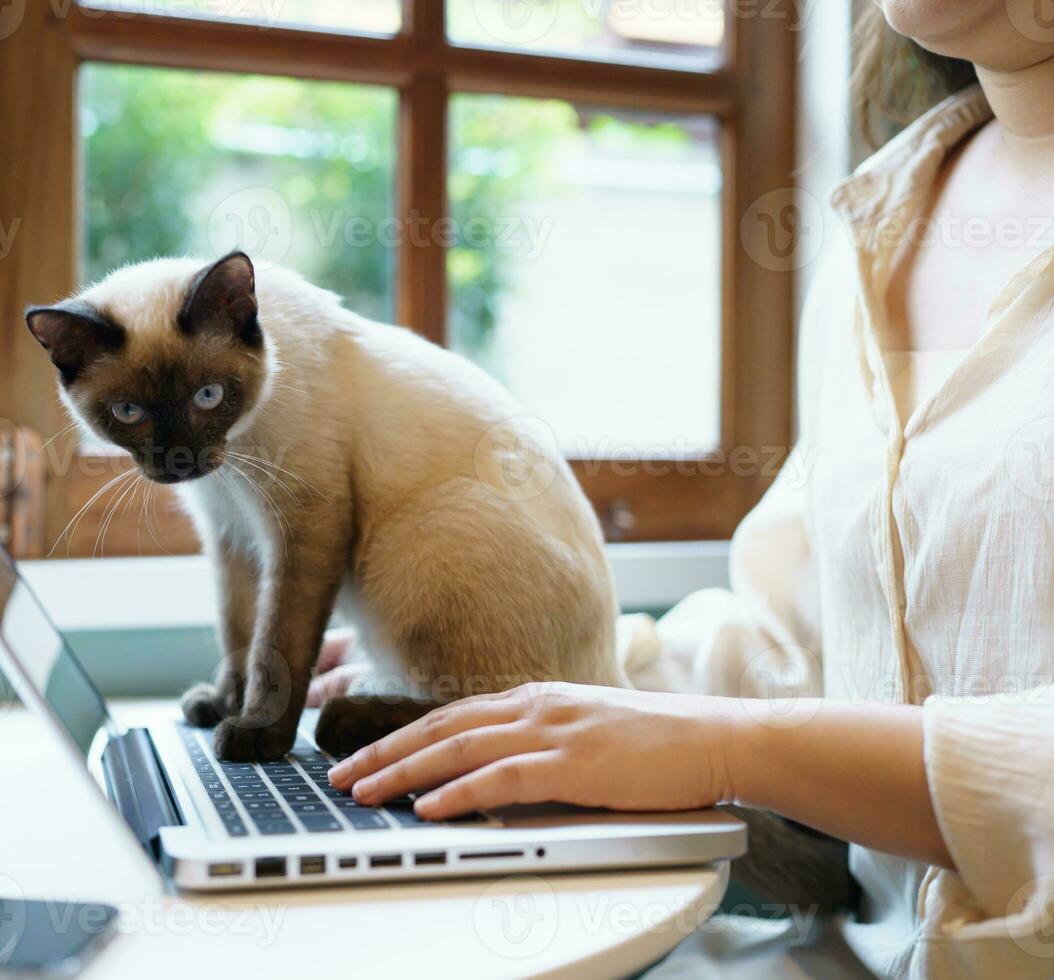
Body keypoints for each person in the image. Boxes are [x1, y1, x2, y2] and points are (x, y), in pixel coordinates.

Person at [315, 3, 1054, 976]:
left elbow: (754, 724)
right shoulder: (883, 215)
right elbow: (797, 641)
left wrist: (727, 745)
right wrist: (509, 678)